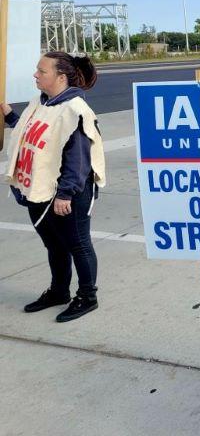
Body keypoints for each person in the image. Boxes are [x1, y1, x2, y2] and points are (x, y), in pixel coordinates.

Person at [2, 52, 105, 322]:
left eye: (41, 71)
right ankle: (59, 291)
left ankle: (87, 296)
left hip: (68, 193)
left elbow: (78, 159)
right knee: (54, 246)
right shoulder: (41, 102)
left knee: (78, 245)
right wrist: (10, 115)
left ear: (60, 77)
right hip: (39, 189)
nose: (35, 75)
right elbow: (35, 135)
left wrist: (65, 194)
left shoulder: (75, 110)